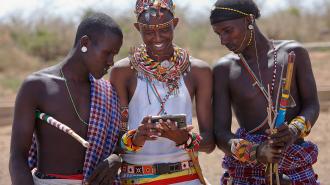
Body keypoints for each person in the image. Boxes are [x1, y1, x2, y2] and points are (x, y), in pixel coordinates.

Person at [210, 0, 320, 184]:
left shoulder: (293, 53)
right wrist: (255, 152)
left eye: (227, 30)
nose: (223, 40)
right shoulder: (224, 70)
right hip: (247, 167)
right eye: (218, 34)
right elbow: (221, 134)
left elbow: (312, 105)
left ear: (248, 20)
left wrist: (293, 131)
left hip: (294, 160)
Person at [9, 13, 123, 185]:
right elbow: (17, 156)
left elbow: (119, 139)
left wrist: (116, 158)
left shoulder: (107, 92)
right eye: (107, 53)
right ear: (85, 43)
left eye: (114, 55)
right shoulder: (37, 86)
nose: (111, 62)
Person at [110, 0, 215, 184]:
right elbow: (114, 142)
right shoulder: (123, 72)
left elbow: (209, 143)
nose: (157, 38)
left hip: (186, 177)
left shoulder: (198, 71)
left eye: (165, 29)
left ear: (175, 24)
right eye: (148, 32)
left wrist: (186, 139)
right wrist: (135, 138)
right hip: (136, 177)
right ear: (137, 28)